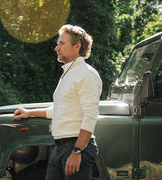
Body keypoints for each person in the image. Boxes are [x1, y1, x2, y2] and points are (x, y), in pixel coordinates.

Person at [13, 25, 102, 180]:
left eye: (62, 43)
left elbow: (91, 114)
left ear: (77, 46)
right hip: (60, 147)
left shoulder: (86, 74)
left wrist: (77, 151)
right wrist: (30, 113)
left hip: (75, 147)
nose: (56, 48)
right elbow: (60, 110)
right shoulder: (68, 73)